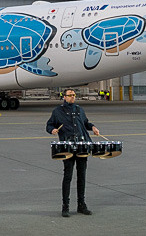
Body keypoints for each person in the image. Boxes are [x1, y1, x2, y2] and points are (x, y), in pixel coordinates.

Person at [46, 88, 99, 217]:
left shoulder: (79, 109)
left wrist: (92, 127)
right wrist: (52, 130)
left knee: (82, 176)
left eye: (74, 95)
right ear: (64, 97)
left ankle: (81, 205)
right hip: (67, 147)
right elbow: (49, 125)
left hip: (82, 146)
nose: (72, 97)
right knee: (68, 176)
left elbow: (85, 123)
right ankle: (65, 206)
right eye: (70, 95)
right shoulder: (58, 111)